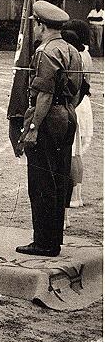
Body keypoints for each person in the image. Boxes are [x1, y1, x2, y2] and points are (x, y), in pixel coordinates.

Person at [16, 1, 82, 257]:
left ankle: (43, 242)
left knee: (41, 181)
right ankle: (54, 239)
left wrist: (33, 127)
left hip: (48, 117)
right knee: (58, 178)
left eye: (35, 23)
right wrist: (66, 110)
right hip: (67, 115)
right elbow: (79, 89)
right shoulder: (71, 49)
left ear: (41, 25)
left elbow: (43, 95)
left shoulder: (45, 51)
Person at [61, 20, 94, 210]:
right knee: (77, 153)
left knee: (72, 152)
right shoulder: (86, 53)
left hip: (77, 102)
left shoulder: (76, 55)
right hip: (84, 102)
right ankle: (77, 194)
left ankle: (73, 195)